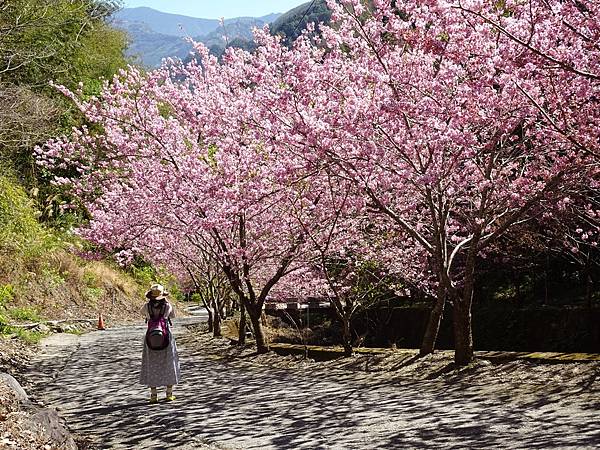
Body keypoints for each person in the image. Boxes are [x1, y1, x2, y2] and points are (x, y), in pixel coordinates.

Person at [139, 283, 181, 403]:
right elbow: (173, 315)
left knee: (151, 363)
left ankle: (153, 395)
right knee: (169, 363)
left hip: (150, 338)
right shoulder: (167, 306)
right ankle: (169, 394)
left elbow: (142, 313)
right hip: (166, 337)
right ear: (163, 295)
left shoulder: (147, 306)